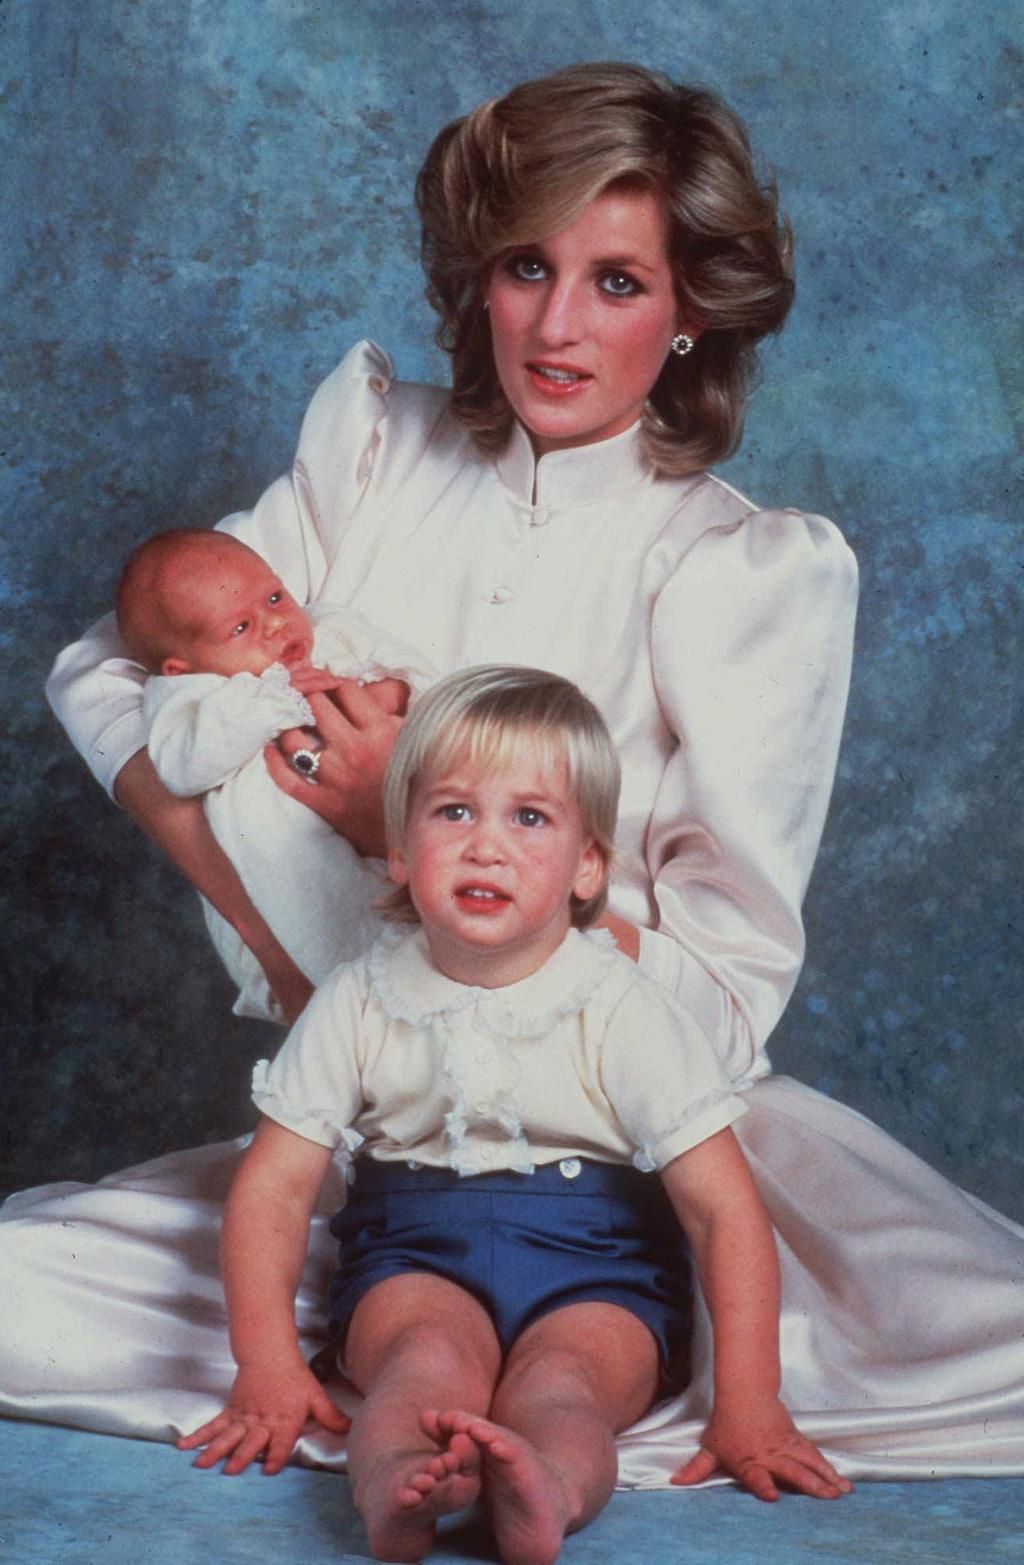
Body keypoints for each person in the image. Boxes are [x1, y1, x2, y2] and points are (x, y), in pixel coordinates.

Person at [5, 62, 1023, 1484]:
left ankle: (575, 1398)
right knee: (18, 1294)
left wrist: (387, 830)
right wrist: (297, 951)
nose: (556, 324)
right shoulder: (373, 452)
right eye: (527, 265)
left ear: (689, 317)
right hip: (371, 1123)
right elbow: (116, 673)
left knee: (980, 1348)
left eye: (618, 282)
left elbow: (723, 996)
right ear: (475, 276)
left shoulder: (741, 569)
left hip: (644, 1151)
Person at [178, 667, 850, 1563]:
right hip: (413, 1253)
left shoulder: (622, 1004)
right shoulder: (361, 998)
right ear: (400, 851)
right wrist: (266, 1364)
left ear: (586, 867)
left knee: (565, 1387)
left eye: (528, 818)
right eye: (454, 812)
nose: (485, 847)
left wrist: (750, 1401)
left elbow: (722, 1208)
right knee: (421, 1367)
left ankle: (547, 1488)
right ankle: (396, 1490)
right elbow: (273, 1186)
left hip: (599, 1269)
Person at [115, 528, 437, 1021]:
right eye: (241, 628)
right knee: (342, 952)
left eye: (274, 596)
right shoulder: (188, 696)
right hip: (283, 866)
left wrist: (388, 693)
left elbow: (420, 673)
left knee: (418, 935)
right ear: (180, 668)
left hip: (388, 825)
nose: (276, 624)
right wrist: (277, 699)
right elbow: (182, 766)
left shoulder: (328, 628)